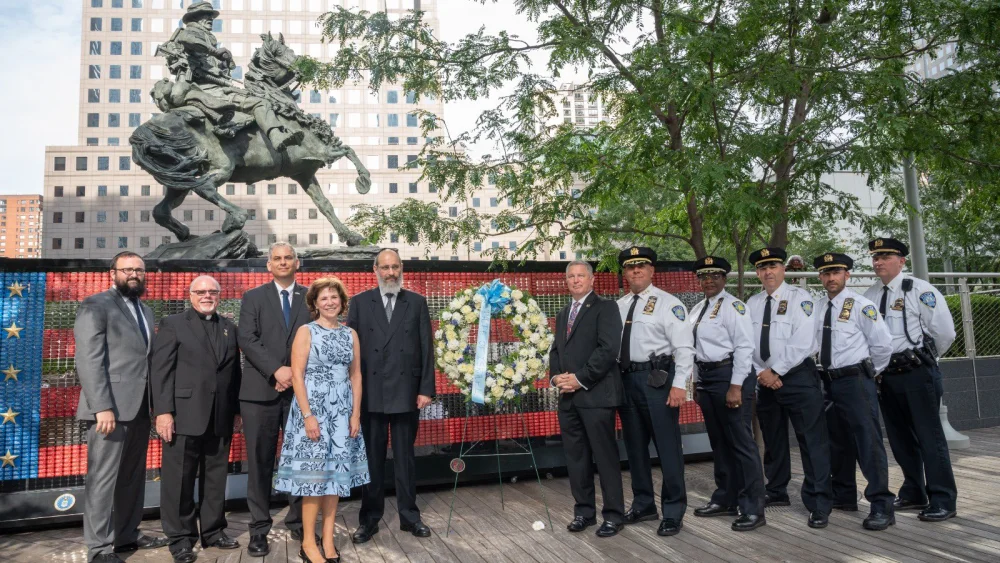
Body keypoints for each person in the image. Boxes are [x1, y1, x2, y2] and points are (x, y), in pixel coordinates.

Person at [74, 251, 169, 563]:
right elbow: (88, 360)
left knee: (131, 476)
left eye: (139, 270)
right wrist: (102, 406)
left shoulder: (146, 310)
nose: (134, 274)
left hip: (139, 408)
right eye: (127, 269)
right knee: (102, 479)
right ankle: (99, 549)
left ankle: (127, 535)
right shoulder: (95, 305)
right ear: (112, 272)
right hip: (108, 411)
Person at [275, 278, 370, 563]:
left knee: (336, 479)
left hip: (342, 414)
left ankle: (328, 540)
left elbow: (356, 375)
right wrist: (308, 416)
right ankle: (308, 542)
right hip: (313, 412)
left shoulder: (350, 334)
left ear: (342, 301)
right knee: (314, 479)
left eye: (334, 297)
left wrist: (355, 414)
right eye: (324, 298)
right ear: (315, 304)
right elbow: (297, 375)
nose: (330, 302)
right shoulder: (306, 332)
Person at [863, 237, 958, 522]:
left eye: (885, 256)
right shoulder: (870, 294)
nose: (878, 261)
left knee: (931, 438)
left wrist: (923, 360)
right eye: (875, 257)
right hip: (885, 376)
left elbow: (944, 333)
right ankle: (914, 491)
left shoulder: (919, 290)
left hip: (918, 373)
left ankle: (943, 499)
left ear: (901, 261)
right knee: (900, 439)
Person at [151, 276, 242, 562]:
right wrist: (163, 412)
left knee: (215, 478)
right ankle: (180, 538)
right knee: (178, 479)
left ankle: (213, 531)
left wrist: (236, 409)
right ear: (190, 295)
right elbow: (160, 371)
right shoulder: (173, 324)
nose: (207, 296)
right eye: (200, 291)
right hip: (182, 415)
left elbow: (233, 373)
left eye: (212, 292)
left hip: (220, 415)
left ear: (219, 295)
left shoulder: (229, 327)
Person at [349, 249, 436, 543]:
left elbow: (427, 349)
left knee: (405, 459)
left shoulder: (417, 302)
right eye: (385, 267)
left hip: (406, 393)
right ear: (374, 269)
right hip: (371, 394)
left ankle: (410, 517)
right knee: (371, 460)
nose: (390, 272)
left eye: (395, 267)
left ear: (402, 269)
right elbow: (353, 354)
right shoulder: (360, 303)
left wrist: (426, 388)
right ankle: (369, 519)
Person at [747, 247, 833, 529]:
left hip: (797, 377)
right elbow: (746, 343)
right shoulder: (753, 302)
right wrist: (762, 373)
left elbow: (804, 340)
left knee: (811, 441)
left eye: (773, 266)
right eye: (762, 268)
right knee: (773, 441)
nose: (768, 272)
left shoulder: (801, 298)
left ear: (782, 269)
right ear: (757, 272)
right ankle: (777, 490)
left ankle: (819, 502)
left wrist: (776, 371)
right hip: (765, 380)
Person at [237, 242, 313, 557]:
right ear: (269, 266)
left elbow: (316, 336)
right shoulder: (252, 298)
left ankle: (298, 524)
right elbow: (247, 338)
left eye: (288, 258)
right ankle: (258, 530)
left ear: (298, 263)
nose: (283, 262)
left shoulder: (311, 297)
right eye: (277, 259)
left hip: (301, 393)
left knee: (299, 462)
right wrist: (276, 370)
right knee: (259, 463)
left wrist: (292, 373)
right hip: (260, 392)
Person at [812, 253, 895, 531]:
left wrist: (868, 374)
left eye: (836, 272)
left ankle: (881, 505)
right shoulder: (819, 306)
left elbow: (883, 346)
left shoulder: (861, 305)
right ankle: (844, 495)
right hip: (827, 381)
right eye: (825, 273)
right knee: (837, 441)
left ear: (847, 274)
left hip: (855, 379)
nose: (830, 277)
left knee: (867, 443)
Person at [615, 246, 694, 537]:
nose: (635, 271)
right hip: (626, 381)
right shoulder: (619, 305)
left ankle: (673, 511)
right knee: (635, 449)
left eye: (641, 266)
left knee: (667, 448)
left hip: (657, 381)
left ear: (652, 271)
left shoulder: (668, 304)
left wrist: (679, 385)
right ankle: (644, 504)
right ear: (624, 273)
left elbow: (684, 348)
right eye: (630, 267)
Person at [153, 2, 301, 150]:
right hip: (206, 89)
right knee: (260, 103)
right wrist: (214, 51)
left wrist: (224, 62)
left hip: (215, 86)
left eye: (211, 16)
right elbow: (189, 40)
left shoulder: (206, 39)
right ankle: (276, 136)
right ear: (195, 18)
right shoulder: (191, 32)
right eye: (206, 16)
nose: (210, 19)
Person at [688, 256, 766, 532]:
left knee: (742, 443)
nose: (708, 281)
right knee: (719, 442)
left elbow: (745, 348)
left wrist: (736, 386)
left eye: (715, 276)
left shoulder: (734, 307)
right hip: (707, 379)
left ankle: (753, 507)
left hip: (730, 375)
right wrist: (696, 382)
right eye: (704, 276)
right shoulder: (697, 309)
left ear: (724, 279)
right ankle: (726, 498)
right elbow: (693, 350)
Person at [549, 261, 626, 537]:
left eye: (581, 275)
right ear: (566, 281)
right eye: (571, 276)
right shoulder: (561, 314)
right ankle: (584, 512)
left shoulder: (606, 308)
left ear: (592, 280)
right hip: (568, 399)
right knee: (576, 458)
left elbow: (608, 350)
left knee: (604, 457)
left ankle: (614, 515)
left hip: (595, 395)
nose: (576, 280)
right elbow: (556, 351)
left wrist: (579, 379)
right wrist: (557, 377)